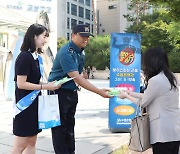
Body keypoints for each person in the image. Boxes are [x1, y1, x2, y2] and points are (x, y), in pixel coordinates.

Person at [48, 24, 112, 154]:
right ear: (73, 35)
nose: (86, 39)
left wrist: (82, 75)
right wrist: (99, 91)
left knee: (70, 127)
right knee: (59, 128)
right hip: (58, 92)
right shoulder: (67, 52)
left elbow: (78, 74)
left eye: (88, 36)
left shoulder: (81, 51)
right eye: (83, 36)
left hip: (71, 92)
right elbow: (77, 78)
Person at [119, 47, 180, 154]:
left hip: (161, 132)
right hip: (175, 130)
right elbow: (153, 96)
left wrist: (126, 96)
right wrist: (131, 93)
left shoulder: (155, 80)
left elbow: (143, 103)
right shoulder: (172, 77)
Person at [12, 23, 61, 154]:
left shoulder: (35, 57)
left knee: (32, 142)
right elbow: (21, 83)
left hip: (35, 105)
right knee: (20, 145)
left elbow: (33, 80)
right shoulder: (24, 57)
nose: (45, 40)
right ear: (34, 36)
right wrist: (44, 86)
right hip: (24, 107)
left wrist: (49, 84)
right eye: (44, 36)